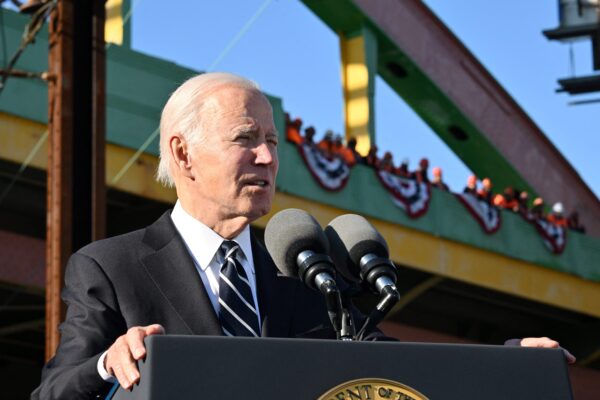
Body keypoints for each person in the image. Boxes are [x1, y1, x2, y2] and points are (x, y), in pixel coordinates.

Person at [32, 73, 574, 399]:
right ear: (182, 154)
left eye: (272, 140)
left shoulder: (303, 264)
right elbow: (54, 392)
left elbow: (391, 373)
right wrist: (110, 364)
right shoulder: (111, 266)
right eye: (247, 139)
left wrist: (510, 361)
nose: (268, 157)